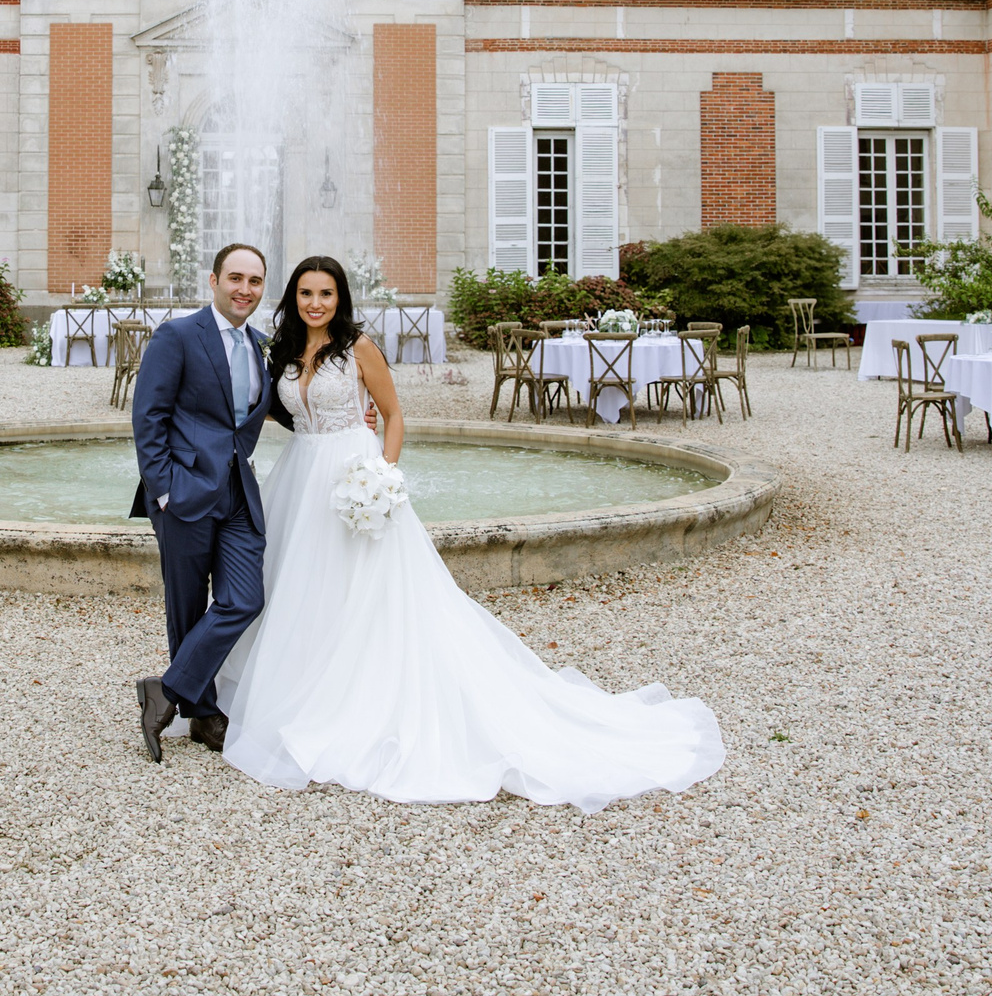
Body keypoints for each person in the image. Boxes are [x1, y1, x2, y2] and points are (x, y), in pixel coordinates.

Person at [215, 256, 727, 811]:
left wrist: (382, 476)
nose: (316, 303)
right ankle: (298, 687)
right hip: (301, 476)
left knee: (364, 588)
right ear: (292, 298)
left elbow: (393, 415)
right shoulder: (283, 351)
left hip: (354, 477)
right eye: (306, 293)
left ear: (340, 299)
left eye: (326, 294)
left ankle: (356, 696)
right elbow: (279, 409)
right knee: (299, 585)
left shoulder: (358, 347)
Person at [129, 242, 282, 761]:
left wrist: (351, 413)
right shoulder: (177, 335)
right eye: (235, 278)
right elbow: (148, 416)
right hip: (185, 492)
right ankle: (203, 714)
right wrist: (165, 489)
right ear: (214, 281)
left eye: (255, 281)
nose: (245, 289)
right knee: (187, 607)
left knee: (245, 599)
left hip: (239, 492)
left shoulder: (262, 345)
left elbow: (278, 409)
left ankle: (166, 690)